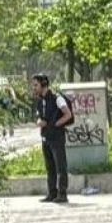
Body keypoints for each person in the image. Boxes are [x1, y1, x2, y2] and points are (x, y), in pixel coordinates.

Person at [31, 73, 73, 204]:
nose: (33, 88)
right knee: (50, 168)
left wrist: (55, 124)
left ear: (43, 84)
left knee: (60, 166)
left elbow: (68, 114)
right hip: (45, 138)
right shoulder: (39, 101)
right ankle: (52, 192)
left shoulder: (56, 98)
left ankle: (62, 193)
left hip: (56, 137)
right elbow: (40, 116)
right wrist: (39, 122)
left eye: (36, 85)